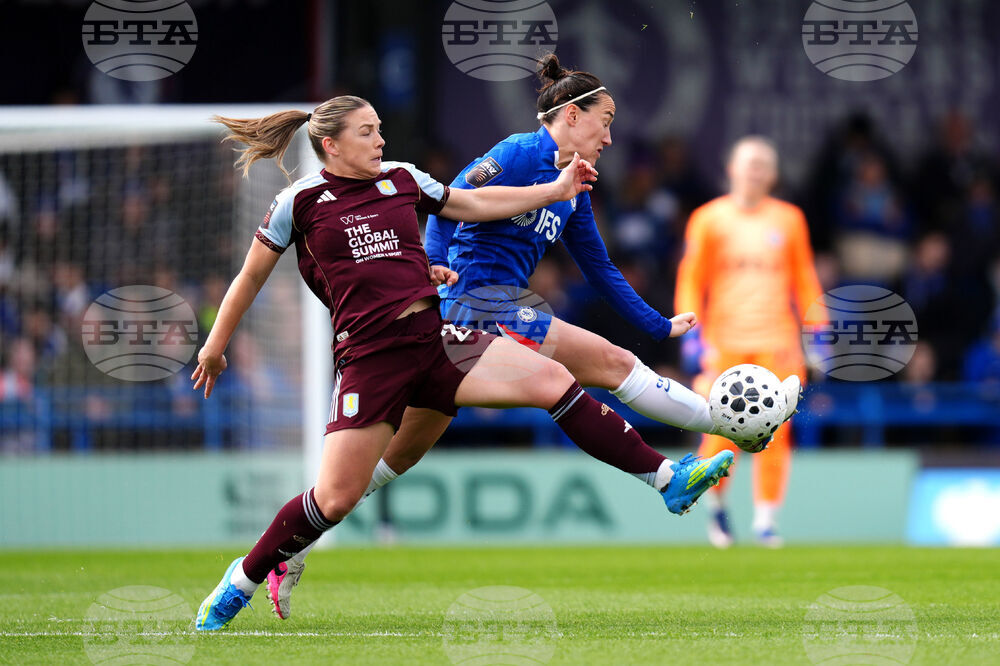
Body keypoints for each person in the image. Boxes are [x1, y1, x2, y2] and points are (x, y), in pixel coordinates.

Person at [265, 56, 801, 620]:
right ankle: (727, 427)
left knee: (390, 462)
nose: (609, 137)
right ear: (571, 116)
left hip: (494, 309)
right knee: (609, 362)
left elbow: (599, 266)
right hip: (476, 303)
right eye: (604, 121)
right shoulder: (519, 154)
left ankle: (291, 546)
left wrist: (658, 325)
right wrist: (433, 271)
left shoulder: (576, 185)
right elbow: (444, 203)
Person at [675, 136, 821, 548]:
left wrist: (818, 331)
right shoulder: (708, 219)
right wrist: (691, 334)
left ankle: (766, 520)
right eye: (748, 163)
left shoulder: (789, 219)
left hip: (778, 342)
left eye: (762, 165)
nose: (754, 172)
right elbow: (691, 279)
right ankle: (716, 509)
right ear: (731, 169)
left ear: (773, 175)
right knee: (719, 430)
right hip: (725, 342)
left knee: (776, 431)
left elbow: (804, 279)